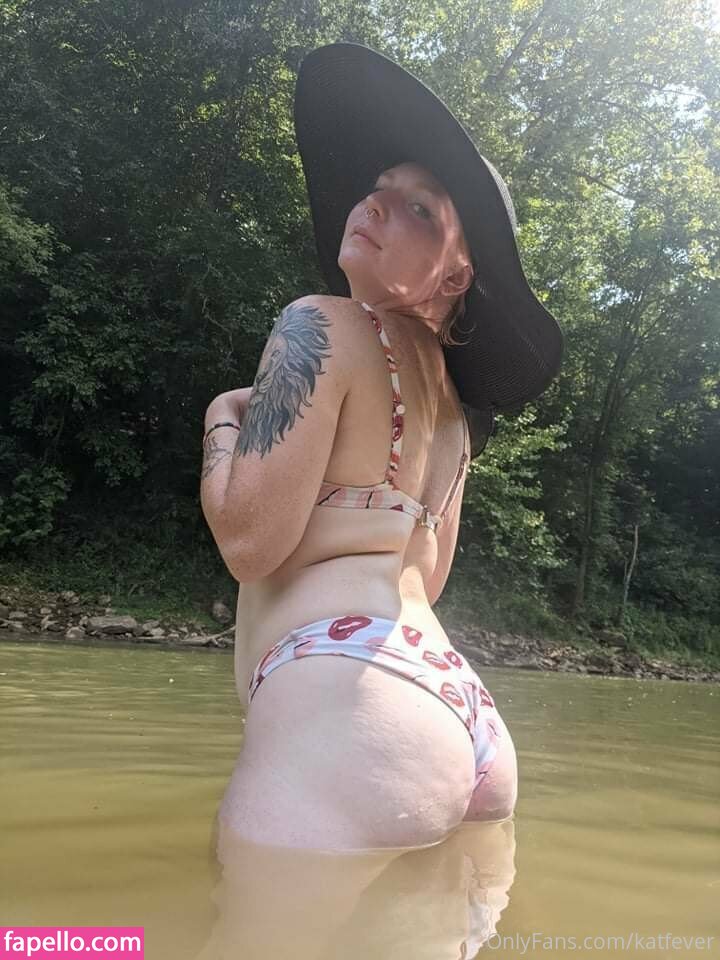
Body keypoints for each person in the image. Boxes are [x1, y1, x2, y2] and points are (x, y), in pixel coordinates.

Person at [200, 43, 563, 851]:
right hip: (458, 708)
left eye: (420, 210)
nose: (376, 205)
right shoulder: (458, 425)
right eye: (380, 188)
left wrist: (222, 419)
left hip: (350, 702)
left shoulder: (317, 323)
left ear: (454, 278)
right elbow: (425, 580)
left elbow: (250, 542)